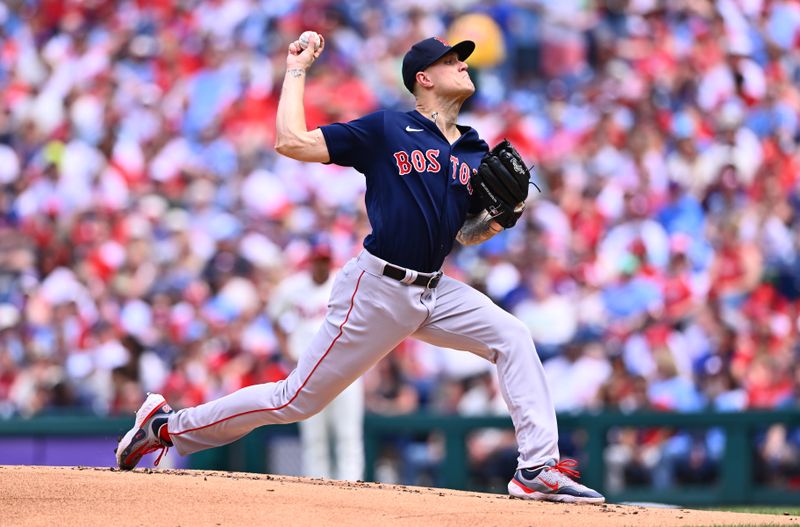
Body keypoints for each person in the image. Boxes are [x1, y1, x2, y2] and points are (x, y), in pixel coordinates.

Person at [116, 32, 605, 503]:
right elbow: (291, 141)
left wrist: (501, 219)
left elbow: (466, 233)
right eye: (451, 59)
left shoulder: (475, 147)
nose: (463, 63)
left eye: (463, 58)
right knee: (294, 401)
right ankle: (165, 427)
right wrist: (296, 70)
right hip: (377, 288)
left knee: (513, 336)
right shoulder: (388, 129)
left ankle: (537, 468)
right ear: (423, 79)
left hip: (435, 290)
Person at [268, 240, 365, 481]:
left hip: (345, 368)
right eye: (317, 260)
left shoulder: (342, 282)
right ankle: (316, 487)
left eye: (324, 260)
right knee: (314, 436)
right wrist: (286, 348)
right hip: (308, 370)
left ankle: (350, 487)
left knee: (348, 434)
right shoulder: (293, 287)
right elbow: (274, 316)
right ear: (310, 262)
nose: (320, 265)